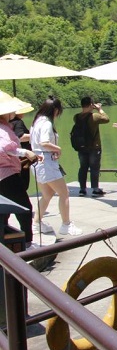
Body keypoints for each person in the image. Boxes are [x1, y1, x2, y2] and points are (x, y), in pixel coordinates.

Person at [30, 96, 82, 236]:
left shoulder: (36, 122)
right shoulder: (46, 123)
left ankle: (36, 223)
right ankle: (66, 224)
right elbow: (44, 142)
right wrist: (58, 149)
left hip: (37, 161)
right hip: (46, 161)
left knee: (47, 194)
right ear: (55, 110)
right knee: (64, 193)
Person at [0, 95, 39, 247]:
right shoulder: (3, 128)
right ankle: (28, 244)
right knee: (24, 208)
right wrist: (25, 153)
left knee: (4, 210)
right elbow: (4, 148)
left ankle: (4, 243)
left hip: (3, 174)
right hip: (7, 173)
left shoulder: (4, 126)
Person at [74, 96, 109, 197]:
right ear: (91, 105)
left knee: (83, 167)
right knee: (94, 167)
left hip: (81, 146)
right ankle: (95, 189)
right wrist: (99, 109)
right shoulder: (95, 116)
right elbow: (106, 119)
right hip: (94, 146)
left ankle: (82, 189)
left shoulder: (76, 117)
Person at [8, 99, 33, 191]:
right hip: (22, 156)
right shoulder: (18, 122)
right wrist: (34, 135)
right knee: (24, 181)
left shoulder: (7, 123)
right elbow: (20, 136)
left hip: (11, 156)